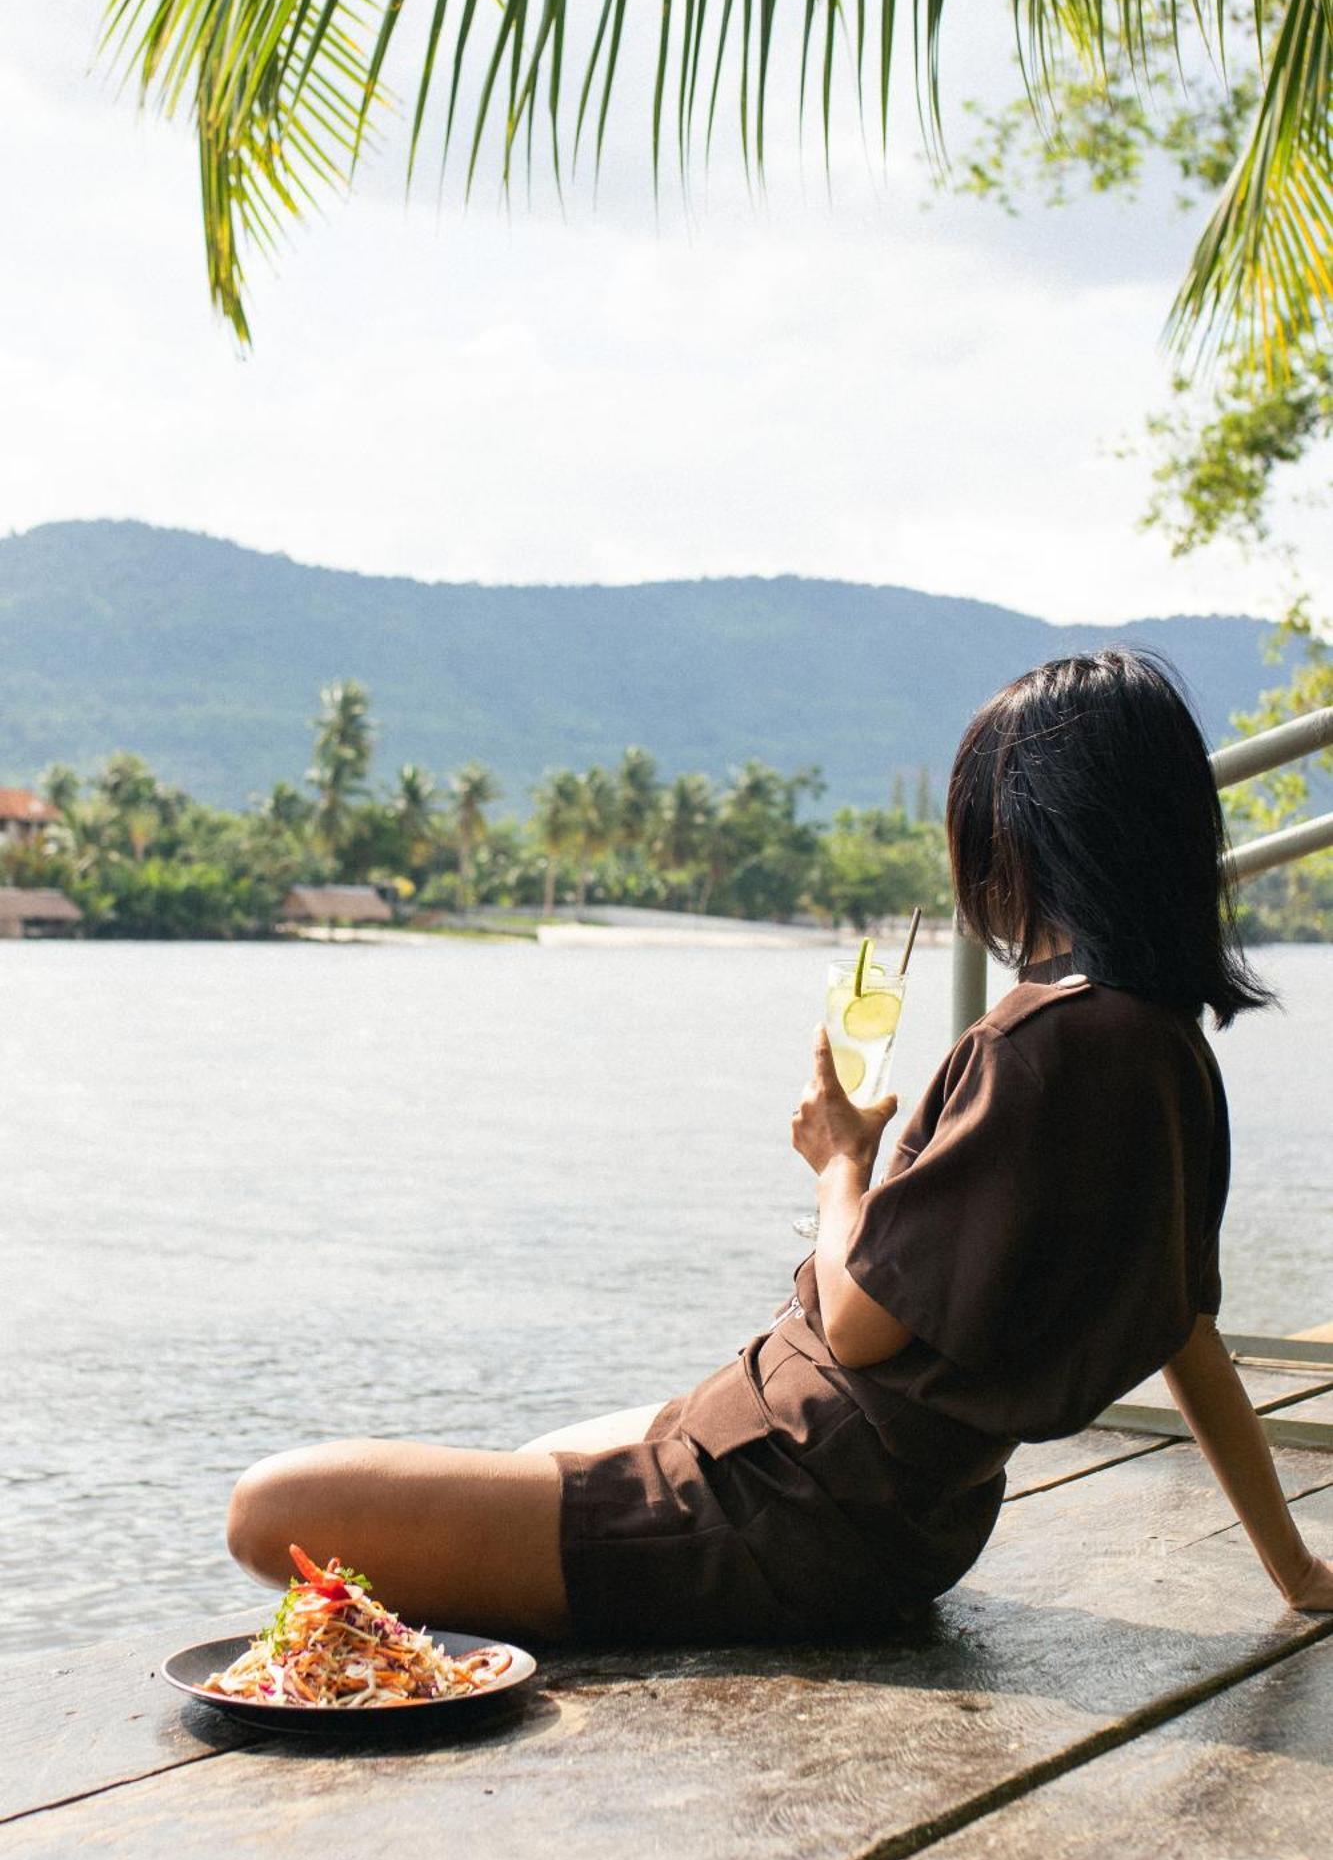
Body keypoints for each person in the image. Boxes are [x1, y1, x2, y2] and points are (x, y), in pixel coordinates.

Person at [226, 650, 1333, 1638]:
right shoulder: (1166, 1052)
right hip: (861, 1498)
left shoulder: (1035, 1044)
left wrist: (841, 1160)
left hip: (784, 1504)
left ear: (1017, 830)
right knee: (519, 1464)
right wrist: (1294, 1568)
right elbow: (1186, 1330)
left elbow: (853, 1325)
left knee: (271, 1509)